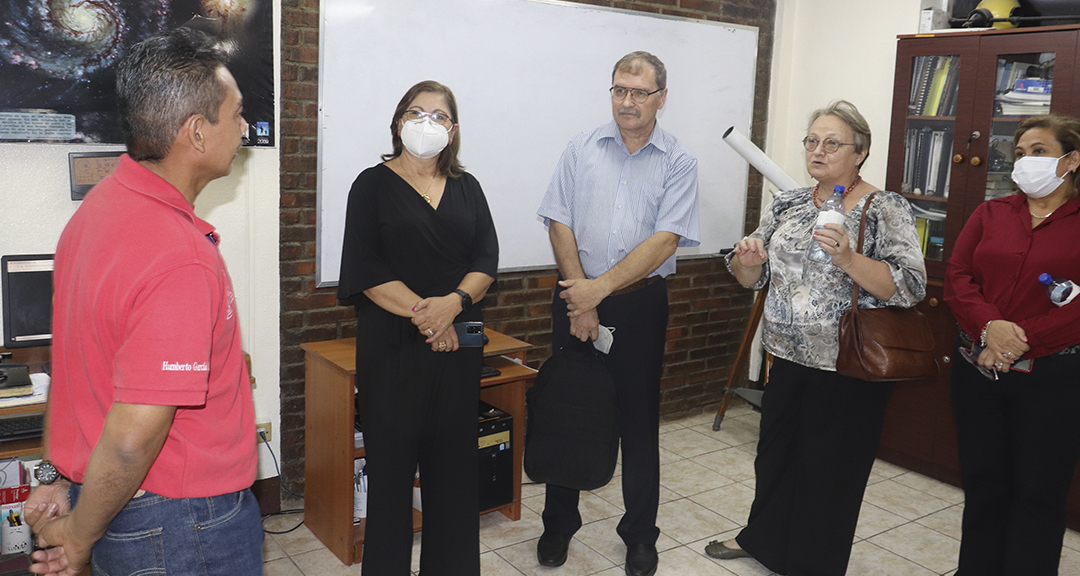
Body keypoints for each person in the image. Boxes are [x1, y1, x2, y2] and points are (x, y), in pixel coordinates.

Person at [23, 28, 261, 576]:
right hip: (182, 523)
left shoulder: (100, 209)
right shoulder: (179, 258)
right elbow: (133, 438)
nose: (245, 129)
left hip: (118, 501)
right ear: (198, 133)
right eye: (237, 114)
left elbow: (83, 367)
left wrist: (62, 475)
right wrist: (79, 539)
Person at [707, 100, 926, 575]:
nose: (818, 150)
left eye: (832, 142)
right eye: (812, 141)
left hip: (849, 365)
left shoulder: (883, 207)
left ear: (860, 152)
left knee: (830, 474)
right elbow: (752, 278)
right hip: (785, 356)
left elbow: (909, 286)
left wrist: (849, 259)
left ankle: (812, 563)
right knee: (776, 459)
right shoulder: (788, 201)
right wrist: (746, 261)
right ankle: (763, 541)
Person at [535, 51, 700, 576]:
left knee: (637, 419)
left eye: (639, 92)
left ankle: (639, 535)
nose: (627, 102)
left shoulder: (679, 160)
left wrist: (596, 293)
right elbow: (558, 220)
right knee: (569, 407)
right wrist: (579, 295)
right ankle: (558, 524)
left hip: (640, 306)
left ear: (661, 98)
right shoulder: (580, 147)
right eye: (619, 90)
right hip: (573, 295)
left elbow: (665, 240)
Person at [337, 80, 498, 576]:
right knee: (390, 481)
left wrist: (454, 304)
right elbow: (364, 271)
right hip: (393, 351)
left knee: (453, 478)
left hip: (458, 346)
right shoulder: (370, 184)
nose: (426, 123)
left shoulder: (468, 187)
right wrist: (430, 318)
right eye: (415, 112)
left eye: (439, 115)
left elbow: (486, 261)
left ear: (453, 131)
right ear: (398, 121)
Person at [943, 114, 1080, 576]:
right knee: (984, 485)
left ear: (1071, 160)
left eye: (1039, 151)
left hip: (1054, 378)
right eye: (1019, 153)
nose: (1025, 161)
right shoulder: (991, 213)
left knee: (1038, 494)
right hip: (978, 371)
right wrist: (990, 328)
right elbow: (958, 279)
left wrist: (1019, 341)